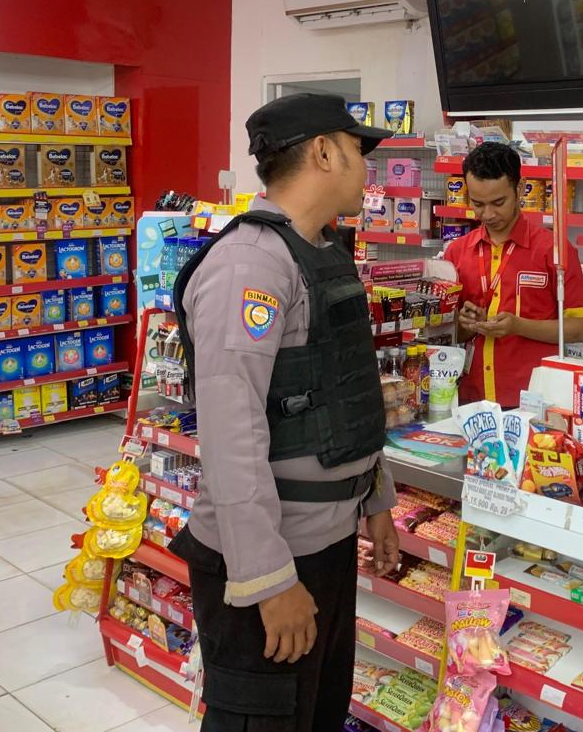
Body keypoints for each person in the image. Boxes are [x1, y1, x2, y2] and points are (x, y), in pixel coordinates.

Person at [169, 93, 402, 732]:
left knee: (318, 714)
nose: (366, 167)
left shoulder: (320, 250)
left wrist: (375, 498)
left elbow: (342, 388)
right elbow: (230, 434)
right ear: (324, 152)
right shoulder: (250, 263)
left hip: (329, 544)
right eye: (357, 149)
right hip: (271, 559)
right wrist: (269, 581)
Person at [442, 142, 583, 407]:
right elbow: (448, 333)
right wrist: (464, 325)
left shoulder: (554, 250)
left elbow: (580, 329)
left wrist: (518, 326)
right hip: (470, 399)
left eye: (498, 202)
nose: (488, 214)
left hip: (532, 401)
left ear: (520, 189)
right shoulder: (457, 252)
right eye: (477, 204)